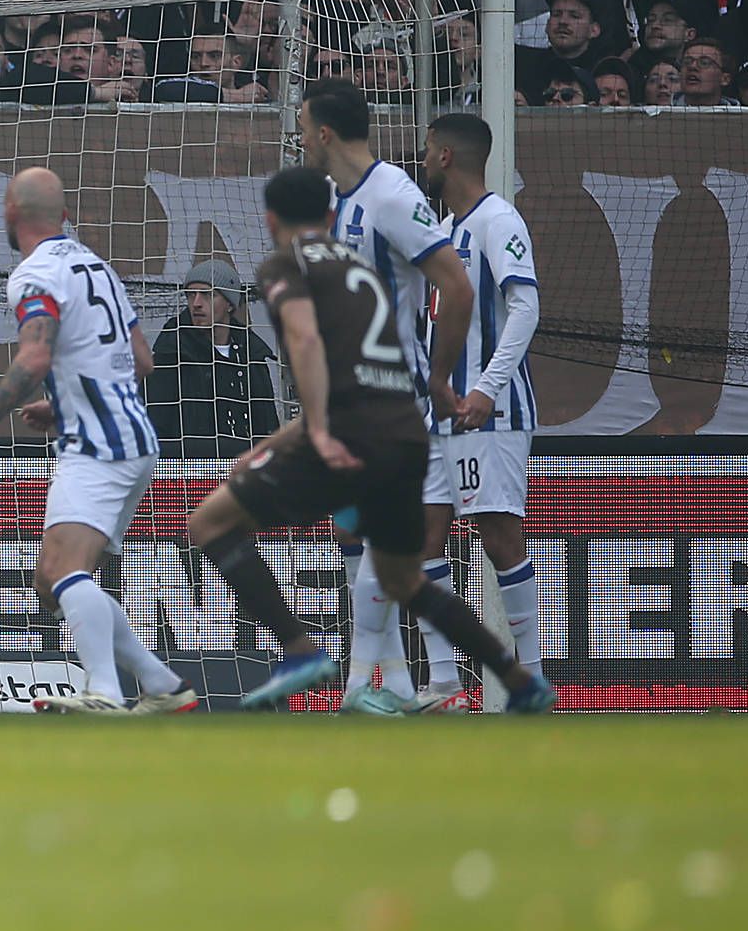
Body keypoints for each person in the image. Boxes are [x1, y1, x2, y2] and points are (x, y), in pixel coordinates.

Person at [180, 166, 553, 714]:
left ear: (270, 220)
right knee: (406, 578)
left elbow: (306, 343)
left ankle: (298, 648)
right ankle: (517, 677)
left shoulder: (286, 266)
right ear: (331, 217)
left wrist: (318, 431)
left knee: (207, 523)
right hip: (405, 432)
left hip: (347, 434)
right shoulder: (366, 273)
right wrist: (273, 445)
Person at [0, 168, 192, 714]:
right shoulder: (97, 267)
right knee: (51, 576)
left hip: (98, 445)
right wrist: (62, 405)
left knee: (60, 573)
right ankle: (162, 684)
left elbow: (35, 356)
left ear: (10, 211)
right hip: (133, 437)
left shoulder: (35, 277)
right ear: (65, 215)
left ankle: (103, 692)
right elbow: (140, 361)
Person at [302, 77, 474, 714]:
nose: (299, 137)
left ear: (323, 131)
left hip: (394, 395)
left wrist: (438, 376)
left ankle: (359, 687)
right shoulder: (334, 198)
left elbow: (455, 287)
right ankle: (398, 686)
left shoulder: (394, 197)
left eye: (301, 126)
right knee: (355, 539)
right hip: (349, 396)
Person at [414, 114, 548, 712]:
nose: (420, 161)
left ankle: (532, 679)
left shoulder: (499, 220)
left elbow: (524, 308)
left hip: (488, 410)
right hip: (441, 411)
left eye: (425, 152)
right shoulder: (443, 230)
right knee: (420, 537)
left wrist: (490, 386)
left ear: (445, 156)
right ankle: (445, 685)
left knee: (497, 534)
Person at [146, 259, 284, 458]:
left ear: (229, 303)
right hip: (187, 474)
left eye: (208, 295)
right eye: (191, 295)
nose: (196, 303)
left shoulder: (251, 355)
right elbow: (155, 426)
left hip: (245, 470)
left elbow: (267, 423)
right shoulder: (171, 354)